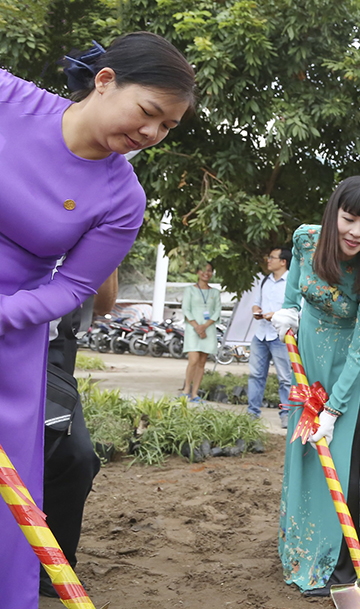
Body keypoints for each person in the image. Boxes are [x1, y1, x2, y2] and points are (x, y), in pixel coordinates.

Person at [0, 32, 193, 608]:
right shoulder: (10, 100)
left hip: (11, 335)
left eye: (167, 128)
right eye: (149, 113)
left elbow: (75, 287)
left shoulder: (123, 198)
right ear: (105, 81)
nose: (152, 134)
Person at [271, 176, 360, 596]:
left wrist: (334, 410)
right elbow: (295, 286)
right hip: (310, 365)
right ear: (333, 213)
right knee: (305, 455)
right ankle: (301, 552)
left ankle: (339, 567)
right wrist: (287, 311)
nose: (357, 232)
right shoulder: (306, 240)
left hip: (351, 378)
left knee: (342, 466)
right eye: (349, 218)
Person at [38, 270, 117, 598]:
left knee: (77, 457)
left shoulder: (86, 226)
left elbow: (104, 303)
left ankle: (53, 565)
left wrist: (107, 237)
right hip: (9, 338)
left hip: (53, 358)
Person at [248, 246, 296, 427]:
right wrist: (256, 310)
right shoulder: (265, 281)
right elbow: (256, 303)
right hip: (261, 334)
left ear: (283, 261)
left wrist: (275, 315)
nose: (268, 260)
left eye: (272, 257)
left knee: (285, 378)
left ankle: (286, 414)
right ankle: (252, 413)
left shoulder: (292, 282)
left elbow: (297, 310)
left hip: (281, 336)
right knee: (255, 375)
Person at [181, 262, 221, 402]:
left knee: (202, 362)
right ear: (198, 272)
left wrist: (204, 326)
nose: (206, 273)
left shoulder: (215, 292)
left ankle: (195, 393)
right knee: (193, 359)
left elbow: (217, 312)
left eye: (209, 270)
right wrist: (197, 326)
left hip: (208, 329)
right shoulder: (189, 290)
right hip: (193, 329)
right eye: (204, 270)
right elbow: (186, 309)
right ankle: (186, 389)